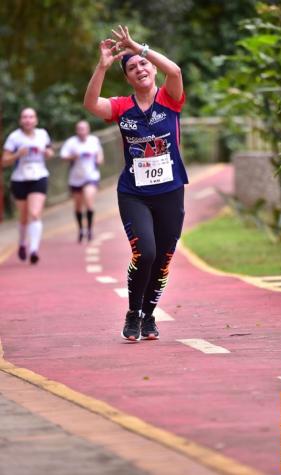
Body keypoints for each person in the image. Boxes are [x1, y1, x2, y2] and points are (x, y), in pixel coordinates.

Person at [84, 25, 188, 342]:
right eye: (132, 68)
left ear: (152, 68)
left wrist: (138, 48)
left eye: (143, 64)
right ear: (128, 79)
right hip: (134, 194)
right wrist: (102, 65)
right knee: (145, 251)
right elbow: (91, 104)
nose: (140, 69)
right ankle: (133, 313)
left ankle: (149, 315)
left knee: (163, 258)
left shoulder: (170, 98)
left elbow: (175, 69)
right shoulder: (121, 107)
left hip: (170, 192)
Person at [2, 108, 54, 264]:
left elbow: (50, 150)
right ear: (20, 120)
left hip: (39, 176)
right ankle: (22, 242)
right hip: (19, 179)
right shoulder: (14, 138)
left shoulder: (42, 134)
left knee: (35, 213)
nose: (28, 120)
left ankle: (34, 250)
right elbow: (4, 161)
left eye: (31, 117)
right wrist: (17, 154)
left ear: (36, 120)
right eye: (24, 117)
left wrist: (48, 153)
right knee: (24, 217)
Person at [60, 120, 104, 242]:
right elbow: (63, 157)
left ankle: (89, 229)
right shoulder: (71, 143)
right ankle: (81, 229)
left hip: (91, 176)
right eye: (79, 129)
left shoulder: (93, 140)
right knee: (78, 207)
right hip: (75, 179)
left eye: (84, 129)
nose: (82, 131)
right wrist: (74, 156)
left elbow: (99, 154)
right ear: (76, 130)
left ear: (88, 130)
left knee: (89, 202)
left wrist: (99, 159)